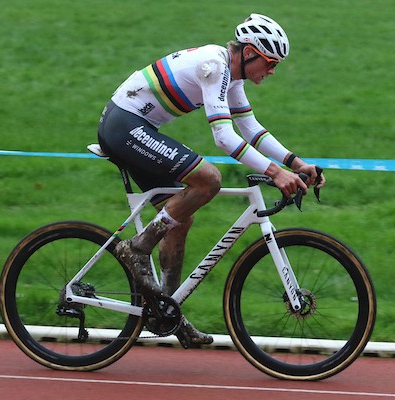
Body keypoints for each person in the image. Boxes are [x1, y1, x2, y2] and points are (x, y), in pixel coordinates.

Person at [97, 13, 325, 347]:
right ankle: (136, 248)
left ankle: (165, 308)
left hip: (136, 128)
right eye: (270, 62)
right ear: (248, 53)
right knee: (209, 180)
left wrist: (296, 163)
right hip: (124, 126)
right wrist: (276, 173)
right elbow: (223, 137)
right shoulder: (215, 65)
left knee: (180, 220)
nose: (272, 70)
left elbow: (250, 128)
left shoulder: (233, 78)